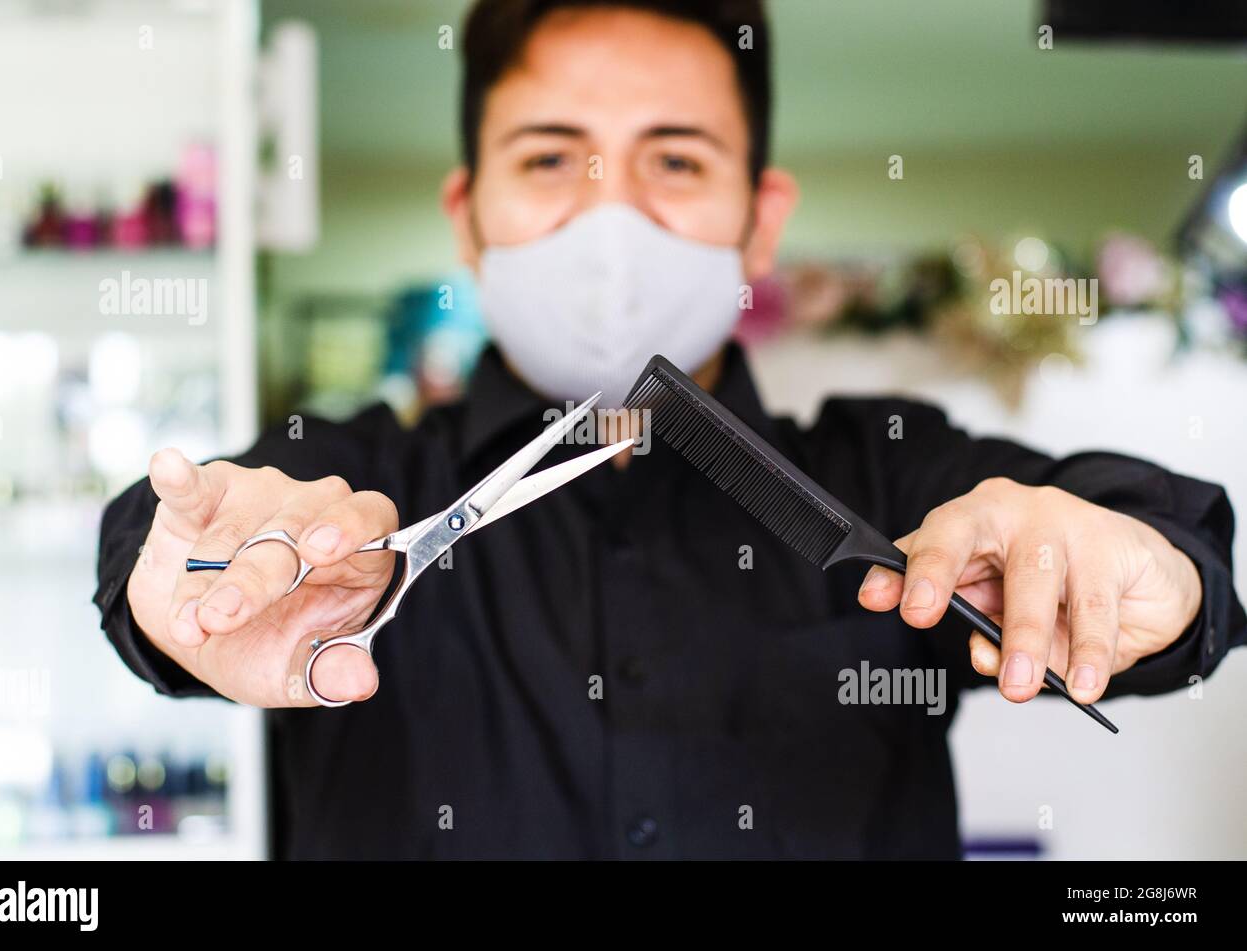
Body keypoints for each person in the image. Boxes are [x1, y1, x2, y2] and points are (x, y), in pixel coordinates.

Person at [95, 0, 1244, 859]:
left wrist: (1146, 571)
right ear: (468, 215)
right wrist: (187, 580)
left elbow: (1164, 540)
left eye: (676, 161)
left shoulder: (893, 480)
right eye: (550, 157)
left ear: (758, 222)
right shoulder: (361, 492)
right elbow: (187, 530)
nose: (610, 216)